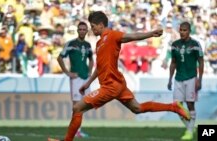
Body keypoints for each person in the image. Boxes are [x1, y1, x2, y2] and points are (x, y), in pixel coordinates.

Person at [49, 11, 190, 141]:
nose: (92, 29)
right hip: (118, 84)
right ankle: (173, 107)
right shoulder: (99, 43)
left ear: (100, 24)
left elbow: (131, 36)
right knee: (137, 108)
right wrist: (88, 83)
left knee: (77, 108)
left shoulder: (112, 35)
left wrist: (151, 34)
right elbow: (100, 67)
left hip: (110, 86)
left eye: (92, 26)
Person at [167, 21, 204, 140]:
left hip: (191, 78)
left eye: (185, 30)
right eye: (181, 30)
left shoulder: (195, 44)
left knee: (190, 104)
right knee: (176, 106)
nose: (182, 32)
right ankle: (190, 128)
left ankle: (189, 131)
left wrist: (199, 79)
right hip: (178, 78)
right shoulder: (175, 45)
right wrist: (170, 79)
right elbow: (173, 63)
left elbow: (201, 62)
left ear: (189, 31)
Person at [56, 21, 94, 138]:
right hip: (76, 78)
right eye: (80, 29)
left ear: (87, 31)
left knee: (86, 104)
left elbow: (91, 59)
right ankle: (76, 131)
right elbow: (59, 58)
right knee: (77, 105)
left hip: (85, 78)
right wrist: (67, 72)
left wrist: (89, 72)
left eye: (84, 29)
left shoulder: (88, 45)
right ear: (77, 31)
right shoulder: (71, 44)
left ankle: (77, 129)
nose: (82, 31)